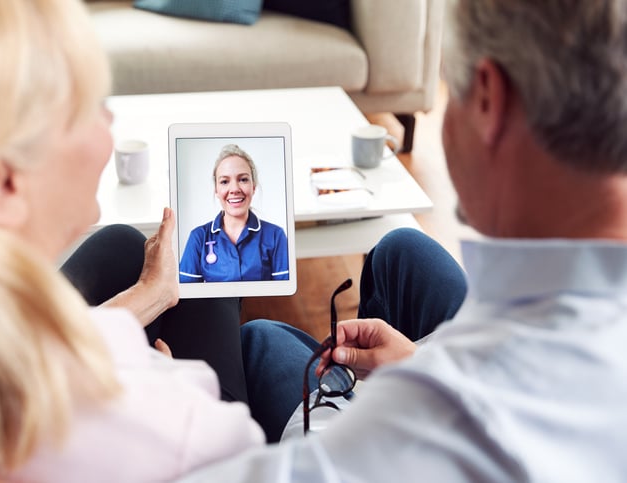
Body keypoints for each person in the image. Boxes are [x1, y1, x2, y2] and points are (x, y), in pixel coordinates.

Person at [178, 0, 627, 480]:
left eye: (449, 87)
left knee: (263, 339)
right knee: (402, 250)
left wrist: (166, 397)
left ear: (487, 99)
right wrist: (419, 358)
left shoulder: (429, 423)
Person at [0, 1, 264, 482]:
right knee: (267, 344)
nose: (110, 127)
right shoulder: (161, 422)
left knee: (121, 244)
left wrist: (147, 297)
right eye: (90, 107)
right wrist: (161, 380)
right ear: (2, 182)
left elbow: (26, 352)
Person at [179, 144, 290, 282]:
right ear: (216, 190)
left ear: (253, 186)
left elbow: (284, 297)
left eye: (243, 179)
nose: (234, 189)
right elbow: (187, 297)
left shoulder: (275, 236)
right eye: (224, 181)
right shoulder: (198, 238)